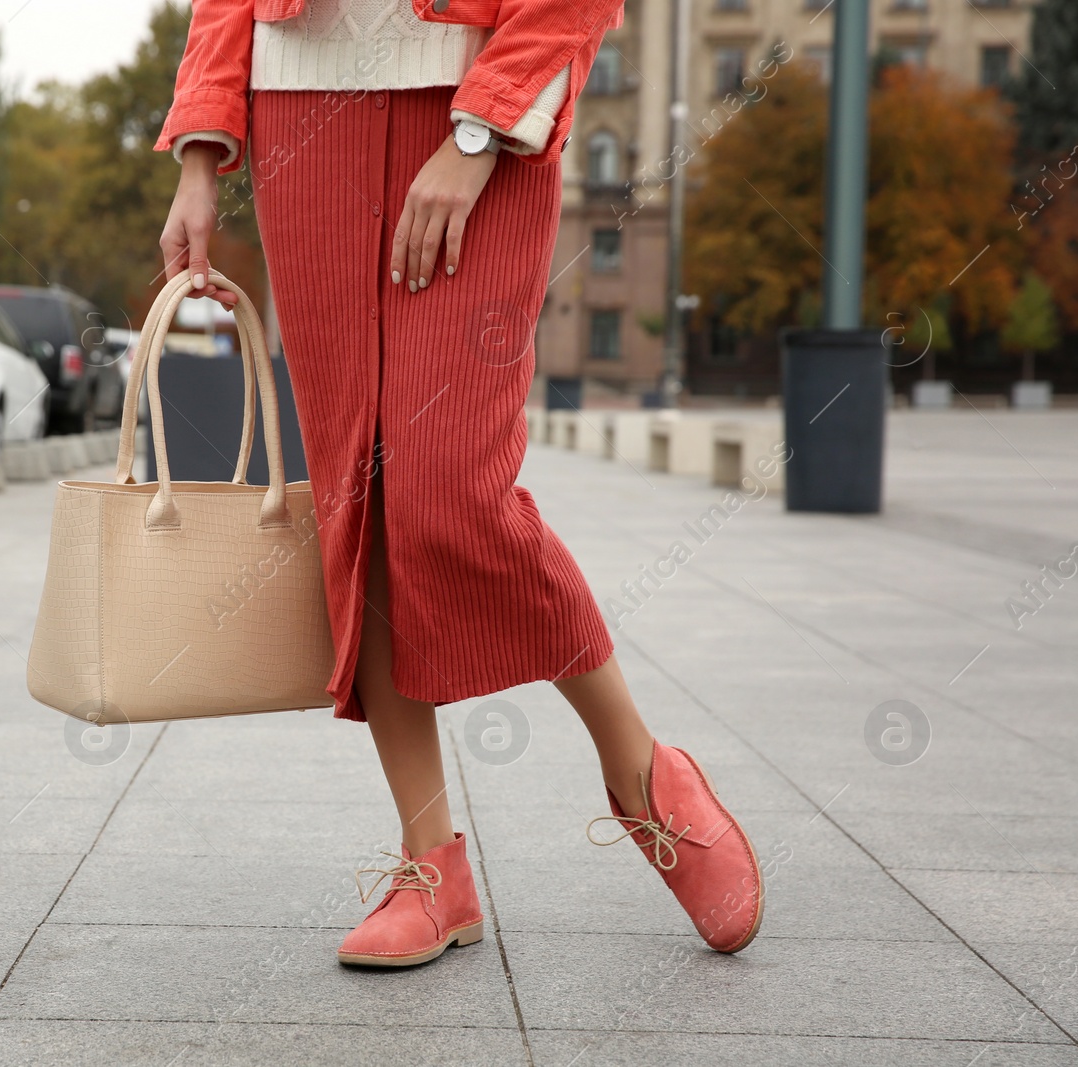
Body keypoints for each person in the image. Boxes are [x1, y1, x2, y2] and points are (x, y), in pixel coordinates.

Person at [155, 0, 764, 966]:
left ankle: (640, 770)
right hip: (300, 114)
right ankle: (432, 865)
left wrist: (480, 132)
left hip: (480, 103)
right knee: (362, 487)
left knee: (452, 488)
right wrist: (197, 160)